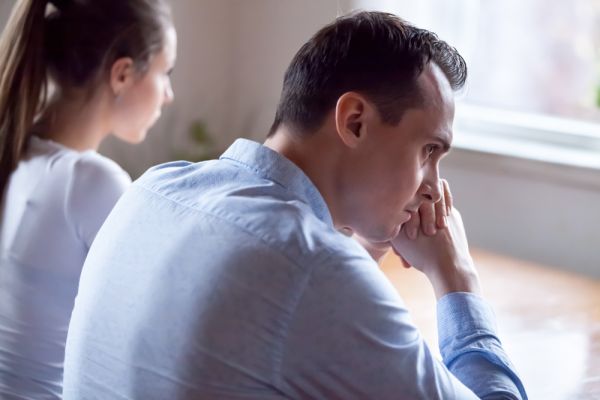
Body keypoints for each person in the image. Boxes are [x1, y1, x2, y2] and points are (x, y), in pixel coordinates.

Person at [63, 11, 528, 399]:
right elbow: (311, 290)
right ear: (355, 121)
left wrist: (367, 245)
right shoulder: (315, 271)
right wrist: (456, 279)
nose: (434, 187)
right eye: (428, 150)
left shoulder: (154, 187)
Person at [0, 0, 176, 397]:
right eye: (166, 72)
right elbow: (159, 325)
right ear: (122, 74)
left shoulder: (19, 153)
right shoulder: (91, 181)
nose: (168, 95)